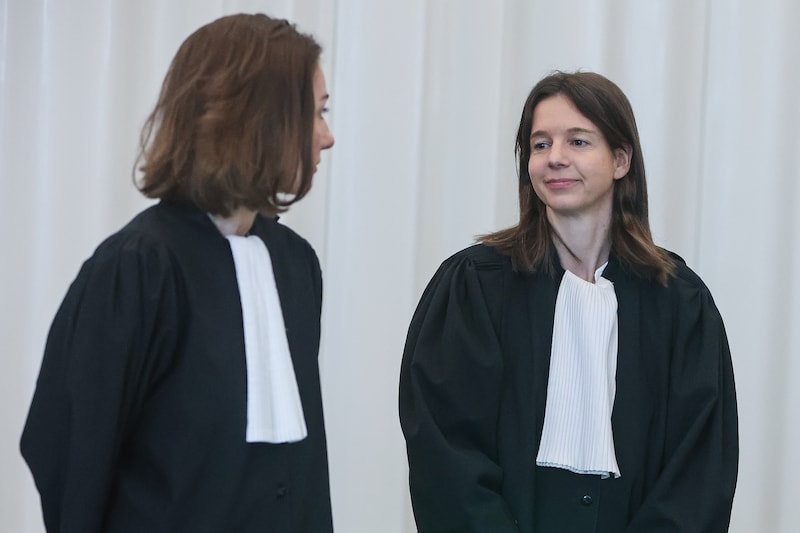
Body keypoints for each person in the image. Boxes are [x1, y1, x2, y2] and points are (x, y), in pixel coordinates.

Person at [21, 13, 335, 532]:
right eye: (314, 113)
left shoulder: (294, 264)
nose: (326, 137)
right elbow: (69, 455)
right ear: (256, 118)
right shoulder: (136, 268)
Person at [399, 71, 738, 532]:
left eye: (578, 142)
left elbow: (698, 472)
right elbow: (445, 454)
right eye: (540, 145)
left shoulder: (680, 303)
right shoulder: (474, 287)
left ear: (621, 160)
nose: (555, 158)